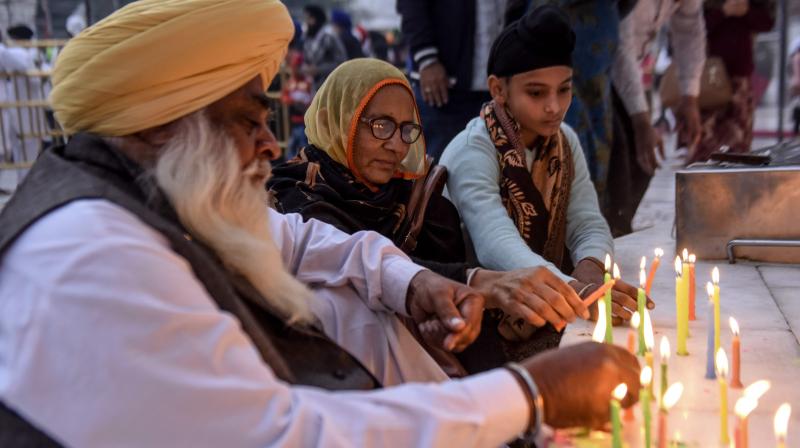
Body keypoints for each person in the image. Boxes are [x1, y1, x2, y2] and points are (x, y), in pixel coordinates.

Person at [0, 1, 641, 446]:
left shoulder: (146, 197)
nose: (269, 144)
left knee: (357, 297)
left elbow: (306, 241)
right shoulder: (94, 254)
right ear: (167, 126)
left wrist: (414, 284)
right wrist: (526, 395)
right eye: (249, 120)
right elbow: (286, 434)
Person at [269, 58, 591, 371]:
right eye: (381, 126)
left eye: (406, 129)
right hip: (336, 376)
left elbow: (450, 301)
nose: (396, 145)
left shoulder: (420, 199)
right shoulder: (296, 196)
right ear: (333, 120)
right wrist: (472, 283)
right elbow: (346, 260)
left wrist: (447, 321)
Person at [440, 5, 651, 328]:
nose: (554, 106)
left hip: (543, 307)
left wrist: (591, 269)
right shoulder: (472, 149)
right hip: (470, 319)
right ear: (498, 90)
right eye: (536, 92)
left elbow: (587, 221)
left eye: (564, 89)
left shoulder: (564, 140)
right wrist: (573, 289)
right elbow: (496, 243)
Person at [609, 0, 705, 233]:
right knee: (616, 161)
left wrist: (689, 97)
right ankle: (603, 238)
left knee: (643, 161)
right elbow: (621, 45)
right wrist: (641, 121)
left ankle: (618, 230)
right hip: (599, 69)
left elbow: (690, 31)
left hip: (635, 71)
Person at [397, 0, 506, 160]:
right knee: (437, 167)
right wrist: (428, 60)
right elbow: (412, 7)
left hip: (495, 86)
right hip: (444, 88)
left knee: (486, 165)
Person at [689, 0, 774, 164]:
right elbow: (689, 28)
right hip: (708, 77)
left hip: (740, 77)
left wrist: (746, 11)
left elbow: (767, 22)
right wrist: (723, 12)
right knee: (704, 145)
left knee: (739, 146)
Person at [302, 4, 347, 89]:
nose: (307, 22)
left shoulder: (330, 37)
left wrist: (318, 69)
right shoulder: (307, 38)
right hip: (314, 87)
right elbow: (307, 61)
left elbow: (341, 63)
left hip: (331, 86)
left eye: (309, 18)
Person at [280, 50, 313, 160]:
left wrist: (304, 105)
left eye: (298, 66)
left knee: (303, 147)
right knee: (293, 147)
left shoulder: (308, 82)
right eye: (295, 67)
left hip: (305, 122)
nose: (296, 69)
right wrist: (293, 101)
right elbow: (283, 96)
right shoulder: (291, 82)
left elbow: (312, 99)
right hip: (293, 122)